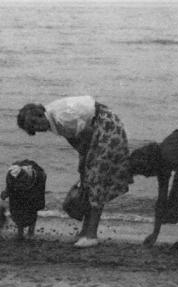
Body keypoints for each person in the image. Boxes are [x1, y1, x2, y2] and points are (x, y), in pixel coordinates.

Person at [17, 95, 132, 248]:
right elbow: (74, 139)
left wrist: (85, 162)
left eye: (36, 124)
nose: (38, 129)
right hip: (98, 127)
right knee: (89, 179)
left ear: (39, 114)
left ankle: (91, 235)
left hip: (106, 126)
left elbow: (89, 136)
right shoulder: (52, 119)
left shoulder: (62, 118)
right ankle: (86, 232)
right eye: (33, 129)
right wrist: (83, 164)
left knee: (96, 180)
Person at [0, 159, 47, 240]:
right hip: (17, 186)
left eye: (22, 183)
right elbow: (9, 187)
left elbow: (38, 196)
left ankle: (31, 232)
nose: (20, 184)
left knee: (33, 207)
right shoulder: (11, 175)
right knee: (17, 207)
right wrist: (6, 192)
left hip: (35, 186)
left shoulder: (38, 176)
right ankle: (20, 233)